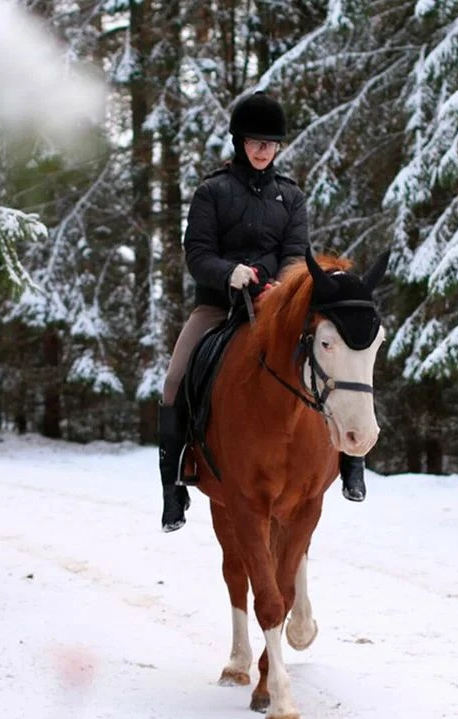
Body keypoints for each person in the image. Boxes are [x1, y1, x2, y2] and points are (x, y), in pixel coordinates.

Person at [157, 90, 368, 532]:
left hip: (275, 306)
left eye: (270, 144)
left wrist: (276, 282)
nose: (262, 150)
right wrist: (228, 272)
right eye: (255, 142)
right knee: (175, 380)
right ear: (240, 142)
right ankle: (173, 490)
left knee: (338, 358)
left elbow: (295, 253)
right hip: (218, 306)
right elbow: (196, 253)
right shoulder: (212, 191)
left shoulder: (290, 197)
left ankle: (350, 462)